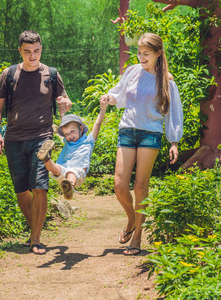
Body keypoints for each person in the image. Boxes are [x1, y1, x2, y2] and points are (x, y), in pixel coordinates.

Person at [101, 33, 183, 256]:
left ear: (158, 53)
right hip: (127, 130)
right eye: (138, 52)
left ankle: (136, 239)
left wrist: (173, 141)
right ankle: (131, 221)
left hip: (150, 133)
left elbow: (173, 112)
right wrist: (109, 98)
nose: (140, 57)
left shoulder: (167, 80)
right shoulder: (133, 72)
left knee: (140, 186)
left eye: (145, 53)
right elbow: (120, 95)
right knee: (119, 185)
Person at [0, 30, 72, 255]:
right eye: (27, 51)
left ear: (41, 49)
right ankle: (34, 230)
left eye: (36, 51)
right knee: (22, 191)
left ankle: (35, 238)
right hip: (14, 139)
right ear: (20, 51)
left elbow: (65, 102)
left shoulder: (52, 74)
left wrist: (65, 104)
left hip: (42, 137)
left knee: (39, 187)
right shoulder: (9, 74)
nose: (32, 55)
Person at [36, 99, 108, 200]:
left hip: (78, 172)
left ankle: (69, 186)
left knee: (71, 172)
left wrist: (103, 108)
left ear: (81, 129)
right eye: (66, 134)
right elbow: (63, 122)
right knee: (55, 168)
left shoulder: (89, 140)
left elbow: (98, 124)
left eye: (72, 131)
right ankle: (46, 158)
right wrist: (62, 112)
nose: (69, 136)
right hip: (63, 168)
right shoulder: (68, 141)